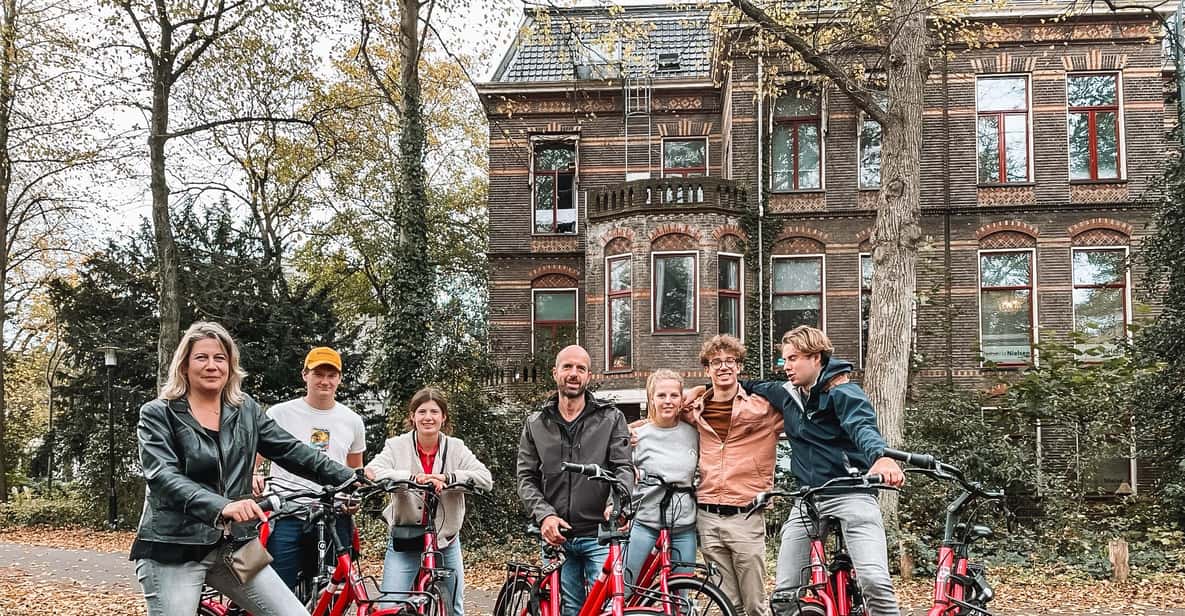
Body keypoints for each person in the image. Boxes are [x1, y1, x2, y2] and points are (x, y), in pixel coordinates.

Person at [131, 322, 356, 616]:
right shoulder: (158, 413)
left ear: (230, 366)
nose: (212, 366)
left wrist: (350, 477)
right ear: (184, 365)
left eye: (220, 358)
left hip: (235, 546)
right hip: (175, 547)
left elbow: (291, 450)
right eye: (202, 357)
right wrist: (223, 506)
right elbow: (163, 477)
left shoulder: (245, 410)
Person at [742, 326, 905, 616]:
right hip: (808, 499)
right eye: (784, 361)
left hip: (851, 492)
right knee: (784, 595)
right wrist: (701, 391)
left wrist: (880, 458)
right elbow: (753, 385)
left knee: (875, 582)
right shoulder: (787, 395)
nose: (787, 367)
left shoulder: (843, 392)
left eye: (793, 359)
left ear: (816, 357)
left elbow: (862, 427)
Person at [517, 345, 634, 616]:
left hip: (599, 534)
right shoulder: (536, 423)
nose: (573, 373)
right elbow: (525, 477)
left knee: (603, 609)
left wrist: (616, 504)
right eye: (567, 367)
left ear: (589, 376)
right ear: (555, 372)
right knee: (570, 609)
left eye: (580, 368)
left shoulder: (611, 418)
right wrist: (544, 516)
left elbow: (623, 468)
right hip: (557, 536)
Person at [365, 387, 493, 615]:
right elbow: (372, 471)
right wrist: (409, 477)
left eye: (434, 412)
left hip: (445, 541)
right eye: (422, 411)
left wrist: (448, 478)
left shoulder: (456, 447)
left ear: (443, 418)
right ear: (412, 416)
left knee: (454, 607)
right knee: (389, 607)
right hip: (406, 539)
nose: (428, 417)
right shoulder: (396, 446)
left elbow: (485, 479)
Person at [252, 346, 367, 593]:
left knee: (332, 591)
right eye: (318, 374)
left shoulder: (352, 420)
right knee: (278, 589)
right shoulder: (279, 413)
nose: (325, 381)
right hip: (287, 511)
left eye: (331, 375)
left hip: (334, 515)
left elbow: (355, 469)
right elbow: (254, 457)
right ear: (305, 375)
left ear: (339, 379)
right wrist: (253, 475)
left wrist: (354, 496)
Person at [682, 334, 782, 616]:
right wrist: (633, 430)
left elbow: (803, 418)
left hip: (747, 516)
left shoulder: (763, 409)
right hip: (708, 517)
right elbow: (660, 417)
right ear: (707, 369)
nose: (723, 366)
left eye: (730, 361)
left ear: (739, 367)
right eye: (716, 362)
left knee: (754, 605)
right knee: (727, 604)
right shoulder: (694, 410)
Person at [623, 369, 699, 593]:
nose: (668, 401)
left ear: (681, 399)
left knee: (681, 595)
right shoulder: (637, 436)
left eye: (674, 395)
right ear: (651, 398)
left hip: (683, 526)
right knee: (627, 590)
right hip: (646, 524)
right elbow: (622, 476)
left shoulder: (693, 434)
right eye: (661, 395)